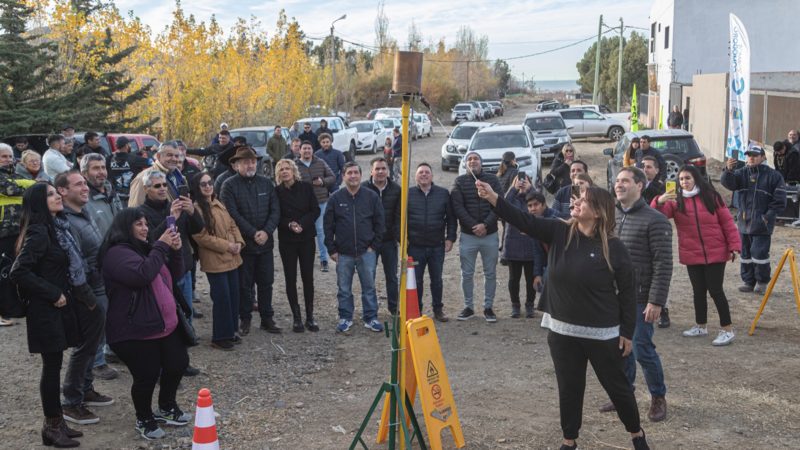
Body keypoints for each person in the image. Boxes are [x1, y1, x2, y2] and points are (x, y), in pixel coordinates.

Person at [475, 181, 650, 450]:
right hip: (562, 331)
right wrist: (493, 197)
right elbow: (521, 218)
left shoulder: (614, 247)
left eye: (583, 199)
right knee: (569, 387)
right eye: (576, 198)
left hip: (602, 334)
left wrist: (627, 332)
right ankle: (570, 440)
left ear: (600, 211)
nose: (575, 202)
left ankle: (636, 434)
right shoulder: (558, 230)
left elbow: (628, 292)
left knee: (617, 387)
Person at [100, 208, 191, 440]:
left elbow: (175, 274)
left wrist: (177, 251)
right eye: (139, 224)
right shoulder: (116, 253)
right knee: (146, 375)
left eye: (146, 224)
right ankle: (144, 418)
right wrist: (161, 245)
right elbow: (141, 275)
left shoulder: (146, 249)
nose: (145, 228)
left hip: (165, 325)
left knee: (177, 363)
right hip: (135, 329)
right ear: (124, 227)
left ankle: (167, 407)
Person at [10, 183, 83, 448]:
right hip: (45, 310)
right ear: (40, 202)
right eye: (51, 194)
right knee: (51, 368)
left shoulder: (52, 227)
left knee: (54, 365)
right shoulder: (39, 231)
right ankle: (52, 426)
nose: (58, 196)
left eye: (57, 192)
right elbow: (19, 271)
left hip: (55, 308)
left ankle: (57, 423)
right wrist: (52, 293)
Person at [602, 166, 671, 424]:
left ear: (640, 185)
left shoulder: (655, 220)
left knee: (642, 348)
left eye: (625, 181)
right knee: (620, 348)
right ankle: (624, 394)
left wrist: (656, 301)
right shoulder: (610, 217)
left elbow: (663, 264)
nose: (619, 185)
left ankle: (658, 397)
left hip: (641, 298)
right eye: (617, 181)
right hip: (612, 297)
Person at [54, 171, 116, 426]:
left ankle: (86, 390)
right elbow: (74, 264)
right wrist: (88, 297)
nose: (85, 187)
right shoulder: (66, 221)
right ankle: (71, 401)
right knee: (85, 346)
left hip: (100, 287)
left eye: (84, 183)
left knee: (95, 344)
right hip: (88, 292)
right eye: (78, 184)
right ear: (63, 191)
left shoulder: (82, 214)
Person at [653, 165, 741, 345]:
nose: (684, 182)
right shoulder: (675, 200)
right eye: (681, 179)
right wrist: (659, 200)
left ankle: (727, 329)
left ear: (696, 179)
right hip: (692, 252)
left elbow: (727, 222)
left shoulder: (711, 197)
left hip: (716, 251)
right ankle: (701, 325)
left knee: (716, 290)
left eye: (688, 178)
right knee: (698, 291)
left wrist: (734, 246)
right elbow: (656, 216)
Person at [220, 147, 281, 335]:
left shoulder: (266, 184)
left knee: (266, 282)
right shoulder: (228, 185)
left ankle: (267, 318)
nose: (250, 165)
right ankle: (244, 319)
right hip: (244, 245)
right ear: (236, 164)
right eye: (246, 162)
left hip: (265, 244)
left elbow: (275, 210)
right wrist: (253, 233)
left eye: (253, 161)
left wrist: (267, 231)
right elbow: (232, 214)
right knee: (244, 285)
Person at [324, 162, 385, 334]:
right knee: (344, 288)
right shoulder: (335, 198)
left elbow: (380, 223)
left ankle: (371, 317)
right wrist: (332, 250)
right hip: (344, 254)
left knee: (369, 287)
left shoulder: (371, 197)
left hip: (367, 252)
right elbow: (327, 226)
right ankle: (345, 318)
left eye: (356, 173)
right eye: (349, 173)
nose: (353, 176)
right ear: (343, 176)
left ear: (361, 175)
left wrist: (374, 246)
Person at [80, 153, 124, 379]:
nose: (101, 172)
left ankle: (111, 349)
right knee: (99, 313)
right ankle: (97, 362)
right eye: (95, 168)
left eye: (103, 167)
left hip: (117, 260)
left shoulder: (110, 191)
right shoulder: (84, 198)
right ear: (85, 173)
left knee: (116, 309)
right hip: (96, 264)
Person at [721, 146, 787, 294]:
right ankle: (748, 281)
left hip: (762, 224)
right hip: (744, 223)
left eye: (755, 155)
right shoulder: (741, 173)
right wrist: (728, 170)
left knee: (759, 253)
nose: (751, 158)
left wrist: (767, 217)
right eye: (749, 155)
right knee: (745, 254)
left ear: (763, 157)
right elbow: (728, 184)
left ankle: (762, 282)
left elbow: (780, 201)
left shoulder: (774, 176)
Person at [190, 172, 244, 350]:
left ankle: (231, 331)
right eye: (203, 184)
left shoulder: (218, 202)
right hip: (215, 259)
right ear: (197, 188)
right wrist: (227, 245)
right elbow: (201, 237)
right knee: (222, 298)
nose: (207, 186)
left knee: (234, 296)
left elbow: (232, 224)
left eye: (209, 182)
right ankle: (220, 337)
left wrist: (238, 242)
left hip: (232, 257)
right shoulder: (196, 209)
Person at [451, 151, 502, 322]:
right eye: (470, 159)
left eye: (476, 159)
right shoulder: (459, 181)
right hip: (468, 235)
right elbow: (458, 207)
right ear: (465, 163)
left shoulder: (493, 180)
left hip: (490, 234)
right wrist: (474, 226)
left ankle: (488, 307)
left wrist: (485, 225)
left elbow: (499, 204)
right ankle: (469, 306)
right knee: (467, 273)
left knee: (490, 273)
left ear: (482, 162)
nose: (473, 161)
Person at [274, 159, 321, 332]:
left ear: (293, 171)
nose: (285, 172)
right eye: (281, 170)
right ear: (278, 174)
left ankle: (310, 316)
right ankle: (297, 317)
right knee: (290, 278)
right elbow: (275, 214)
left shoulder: (306, 188)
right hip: (287, 240)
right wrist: (290, 224)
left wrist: (302, 223)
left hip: (306, 237)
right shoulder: (276, 192)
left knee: (308, 277)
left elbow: (315, 210)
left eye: (287, 168)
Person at [407, 163, 456, 321]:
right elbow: (399, 220)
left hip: (436, 246)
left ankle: (438, 309)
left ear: (432, 176)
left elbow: (451, 218)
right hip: (415, 246)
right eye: (420, 172)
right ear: (416, 176)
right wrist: (402, 240)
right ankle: (417, 310)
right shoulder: (408, 194)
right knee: (417, 280)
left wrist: (450, 238)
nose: (424, 175)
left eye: (427, 172)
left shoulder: (442, 194)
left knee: (437, 279)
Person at [502, 173, 545, 319]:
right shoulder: (511, 197)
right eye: (518, 180)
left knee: (530, 278)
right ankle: (515, 305)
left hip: (530, 243)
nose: (521, 183)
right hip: (513, 243)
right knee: (514, 279)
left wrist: (531, 189)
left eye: (524, 181)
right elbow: (502, 207)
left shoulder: (533, 199)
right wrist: (513, 189)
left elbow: (541, 208)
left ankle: (529, 305)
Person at [362, 157, 401, 315]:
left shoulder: (396, 189)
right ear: (371, 171)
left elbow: (398, 216)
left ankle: (393, 308)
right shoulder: (363, 189)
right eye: (377, 169)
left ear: (388, 171)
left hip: (388, 241)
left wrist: (398, 238)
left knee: (391, 276)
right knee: (368, 277)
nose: (380, 172)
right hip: (369, 243)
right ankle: (370, 311)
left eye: (383, 169)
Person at [295, 141, 335, 272]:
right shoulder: (294, 165)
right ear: (299, 150)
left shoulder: (320, 162)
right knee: (303, 231)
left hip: (320, 201)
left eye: (309, 148)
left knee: (320, 231)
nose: (307, 151)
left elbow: (332, 177)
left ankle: (324, 259)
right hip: (302, 204)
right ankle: (304, 260)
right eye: (304, 149)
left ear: (313, 150)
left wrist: (322, 182)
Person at [128, 143, 186, 207]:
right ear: (158, 156)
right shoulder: (143, 178)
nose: (174, 159)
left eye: (176, 156)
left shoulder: (178, 176)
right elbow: (135, 209)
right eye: (169, 155)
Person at [107, 136, 150, 207]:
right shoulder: (134, 159)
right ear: (126, 146)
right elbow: (153, 163)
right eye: (129, 144)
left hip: (115, 198)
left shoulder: (109, 159)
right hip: (132, 197)